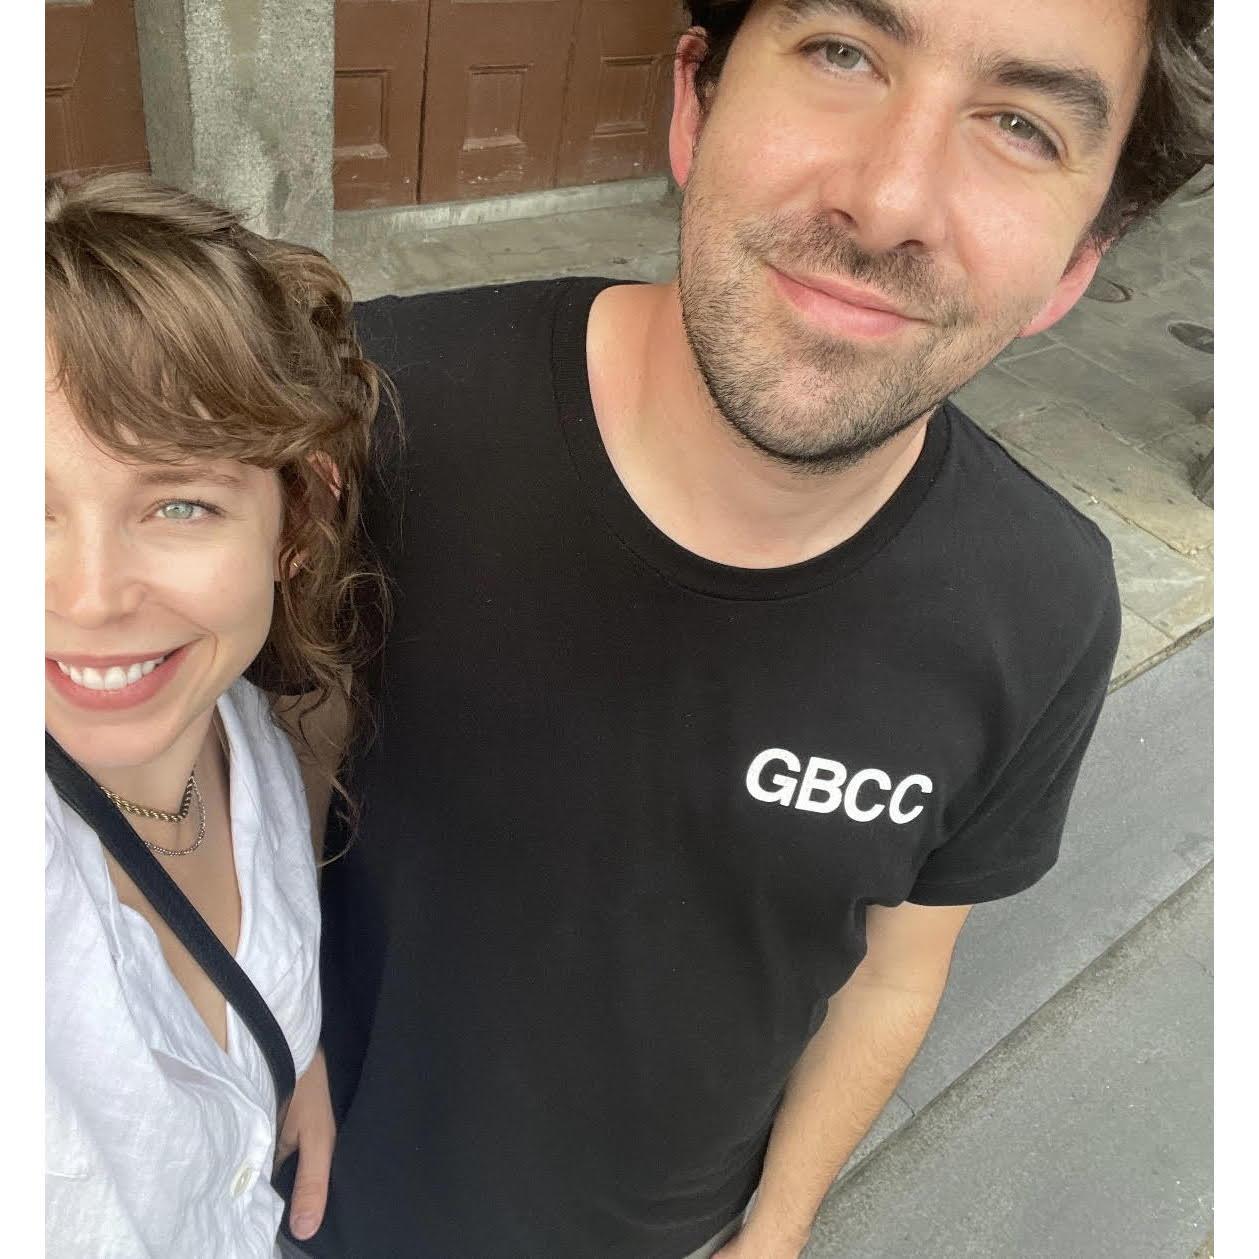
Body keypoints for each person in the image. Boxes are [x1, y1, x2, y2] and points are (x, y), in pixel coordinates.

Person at [292, 1, 1215, 1256]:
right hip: (315, 1193)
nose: (886, 201)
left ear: (1074, 263)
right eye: (842, 53)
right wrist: (266, 1044)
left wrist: (774, 1229)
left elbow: (894, 968)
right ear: (696, 100)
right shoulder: (371, 415)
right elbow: (217, 788)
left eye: (1019, 126)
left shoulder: (1044, 604)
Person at [44, 173, 381, 1258]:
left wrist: (285, 1053)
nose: (91, 595)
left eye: (179, 502)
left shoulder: (251, 734)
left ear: (297, 520)